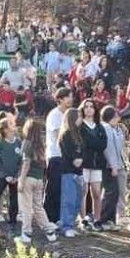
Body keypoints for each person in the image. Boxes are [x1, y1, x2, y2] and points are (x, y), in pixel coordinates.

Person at [17, 118, 57, 244]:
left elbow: (26, 163)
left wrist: (21, 180)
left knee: (26, 207)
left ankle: (26, 233)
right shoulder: (41, 145)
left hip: (28, 178)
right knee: (38, 206)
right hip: (39, 179)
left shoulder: (26, 143)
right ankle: (49, 230)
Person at [42, 88, 73, 225]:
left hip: (65, 156)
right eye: (68, 97)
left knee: (62, 188)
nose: (71, 99)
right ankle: (48, 219)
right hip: (55, 155)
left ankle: (58, 218)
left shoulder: (67, 115)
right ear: (60, 99)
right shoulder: (55, 115)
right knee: (53, 188)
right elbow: (58, 136)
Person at [78, 100, 108, 231]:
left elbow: (103, 144)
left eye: (91, 107)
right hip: (84, 163)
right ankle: (83, 219)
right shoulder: (80, 126)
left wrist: (92, 143)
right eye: (86, 107)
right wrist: (94, 142)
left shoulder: (99, 126)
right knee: (83, 191)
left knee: (96, 192)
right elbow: (83, 143)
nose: (89, 109)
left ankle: (97, 219)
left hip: (97, 163)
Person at [57, 109, 87, 239]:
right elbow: (69, 152)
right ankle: (66, 226)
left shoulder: (80, 134)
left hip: (79, 171)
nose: (81, 118)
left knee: (77, 200)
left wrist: (81, 158)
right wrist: (76, 158)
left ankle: (72, 224)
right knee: (68, 200)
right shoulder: (66, 134)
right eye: (79, 116)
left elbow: (84, 151)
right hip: (68, 171)